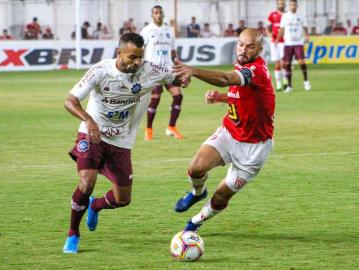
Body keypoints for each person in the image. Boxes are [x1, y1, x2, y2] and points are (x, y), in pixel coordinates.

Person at [62, 32, 189, 254]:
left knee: (123, 199)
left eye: (140, 56)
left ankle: (95, 205)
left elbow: (175, 79)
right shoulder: (101, 71)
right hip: (92, 135)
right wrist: (89, 120)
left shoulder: (149, 70)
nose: (137, 62)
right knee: (86, 182)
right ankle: (73, 233)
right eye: (132, 57)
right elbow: (70, 101)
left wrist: (184, 79)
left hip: (122, 140)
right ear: (119, 53)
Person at [172, 29, 275, 232]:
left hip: (254, 148)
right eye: (241, 44)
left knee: (221, 196)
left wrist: (193, 70)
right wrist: (220, 98)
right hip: (230, 132)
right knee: (196, 168)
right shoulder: (242, 63)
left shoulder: (256, 70)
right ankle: (197, 192)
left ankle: (195, 222)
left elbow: (227, 79)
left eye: (250, 46)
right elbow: (250, 99)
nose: (243, 49)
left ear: (260, 49)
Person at [141, 5, 185, 140]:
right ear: (152, 15)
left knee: (178, 96)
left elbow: (173, 51)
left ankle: (171, 127)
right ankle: (149, 129)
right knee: (155, 99)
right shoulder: (147, 31)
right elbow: (140, 50)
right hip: (153, 70)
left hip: (169, 70)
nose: (158, 15)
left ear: (163, 14)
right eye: (156, 13)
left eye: (160, 13)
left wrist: (178, 65)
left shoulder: (169, 31)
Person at [276, 0, 311, 93]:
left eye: (294, 5)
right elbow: (282, 29)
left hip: (298, 43)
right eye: (291, 5)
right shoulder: (285, 16)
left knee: (302, 62)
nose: (293, 6)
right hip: (288, 43)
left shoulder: (301, 16)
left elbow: (305, 27)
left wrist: (307, 36)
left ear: (297, 6)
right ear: (289, 6)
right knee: (287, 64)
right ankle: (289, 86)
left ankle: (306, 81)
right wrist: (277, 40)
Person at [267, 0, 287, 91]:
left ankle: (286, 82)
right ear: (277, 4)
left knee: (284, 63)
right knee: (277, 63)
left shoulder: (287, 15)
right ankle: (279, 84)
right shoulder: (272, 15)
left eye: (282, 3)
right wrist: (270, 35)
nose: (281, 5)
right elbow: (268, 27)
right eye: (279, 3)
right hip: (274, 42)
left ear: (284, 4)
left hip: (285, 41)